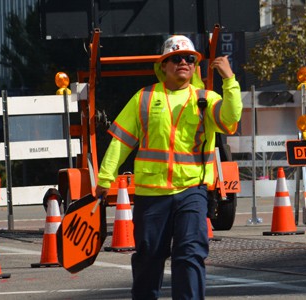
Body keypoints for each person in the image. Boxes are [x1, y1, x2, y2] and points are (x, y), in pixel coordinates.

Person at [95, 35, 242, 299]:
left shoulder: (205, 99)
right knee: (149, 257)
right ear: (163, 65)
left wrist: (229, 81)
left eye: (189, 58)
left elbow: (230, 120)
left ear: (195, 65)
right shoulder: (145, 98)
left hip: (192, 191)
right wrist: (105, 179)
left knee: (190, 253)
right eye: (175, 58)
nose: (183, 62)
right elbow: (121, 141)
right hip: (152, 195)